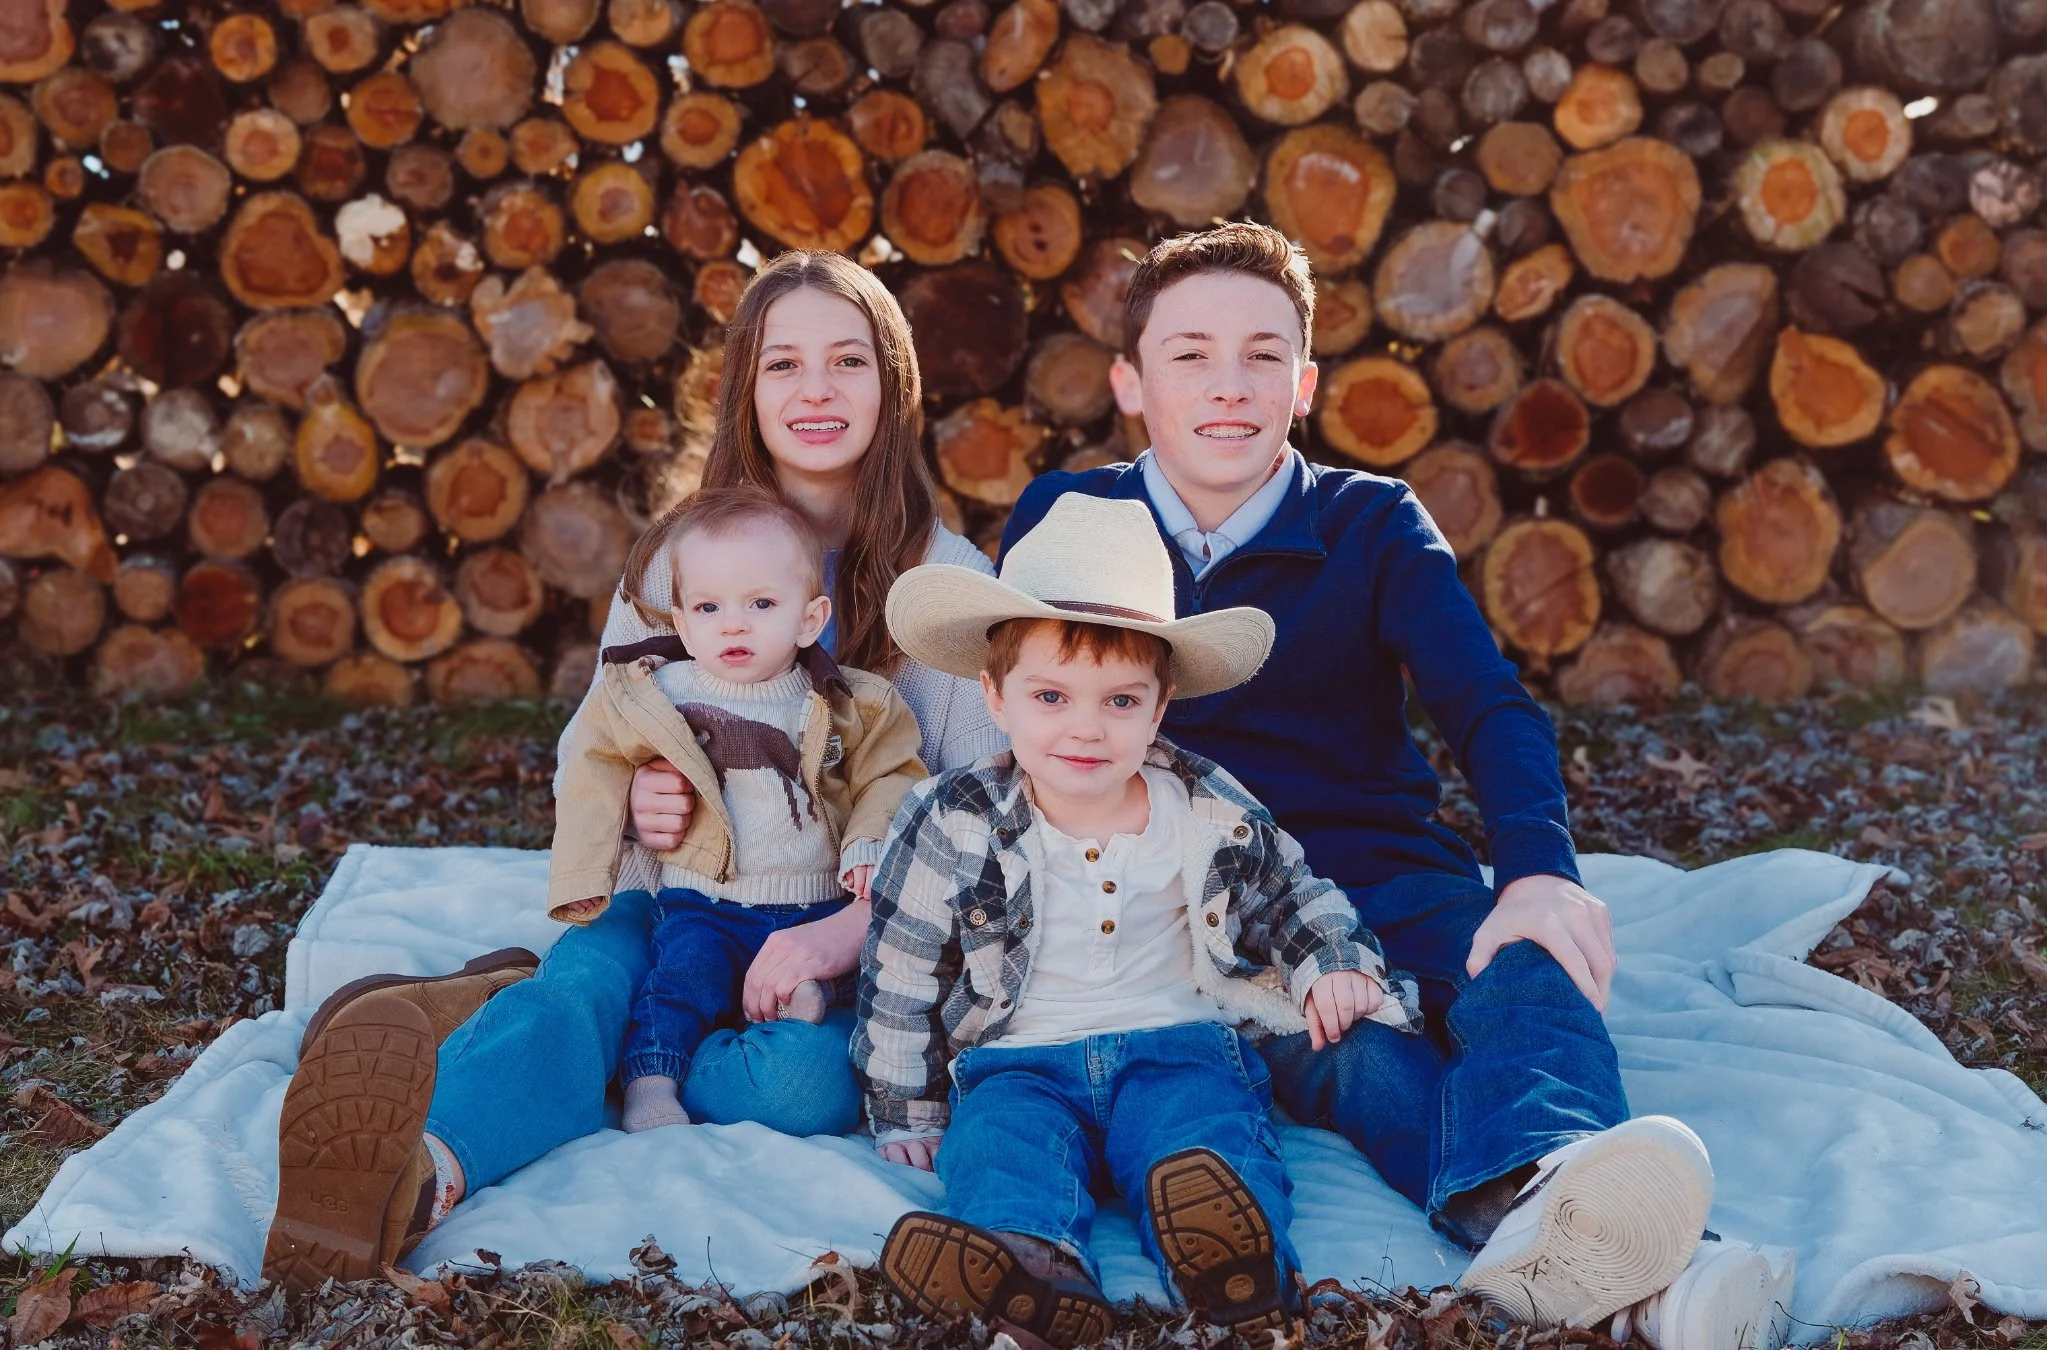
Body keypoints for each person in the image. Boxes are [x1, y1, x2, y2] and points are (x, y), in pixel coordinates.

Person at [995, 222, 1795, 1349]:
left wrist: (1538, 875)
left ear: (1305, 381)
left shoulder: (1368, 521)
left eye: (1263, 355)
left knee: (1525, 967)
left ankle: (1571, 1192)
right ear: (1130, 382)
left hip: (1382, 864)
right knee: (1362, 1049)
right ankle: (1633, 1267)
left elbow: (1486, 704)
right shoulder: (1070, 522)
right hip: (1202, 902)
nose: (1230, 386)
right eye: (1189, 355)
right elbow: (1012, 713)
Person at [264, 251, 1007, 1289]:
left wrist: (849, 930)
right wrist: (638, 799)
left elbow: (977, 808)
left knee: (803, 1085)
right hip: (673, 897)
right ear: (745, 387)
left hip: (828, 932)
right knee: (593, 979)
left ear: (895, 385)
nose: (816, 391)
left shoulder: (949, 581)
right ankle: (407, 1179)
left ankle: (541, 1026)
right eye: (783, 364)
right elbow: (593, 746)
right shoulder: (677, 559)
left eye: (848, 362)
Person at [857, 494, 1424, 1350]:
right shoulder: (949, 815)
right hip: (1017, 1062)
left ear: (1159, 709)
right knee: (1000, 1149)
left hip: (1176, 1045)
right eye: (1051, 696)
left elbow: (1294, 891)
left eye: (1119, 703)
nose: (1085, 728)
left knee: (1205, 1138)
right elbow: (899, 968)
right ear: (996, 698)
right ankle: (1030, 1269)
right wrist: (905, 1108)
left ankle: (1231, 1264)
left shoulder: (1201, 804)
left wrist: (1333, 960)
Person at [549, 486, 927, 1132]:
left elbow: (891, 776)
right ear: (683, 622)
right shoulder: (656, 693)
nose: (733, 624)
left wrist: (869, 843)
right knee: (680, 981)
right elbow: (593, 766)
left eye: (760, 604)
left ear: (809, 620)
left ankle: (783, 1012)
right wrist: (588, 874)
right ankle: (652, 1084)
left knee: (858, 989)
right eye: (708, 607)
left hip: (815, 907)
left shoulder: (850, 704)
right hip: (705, 899)